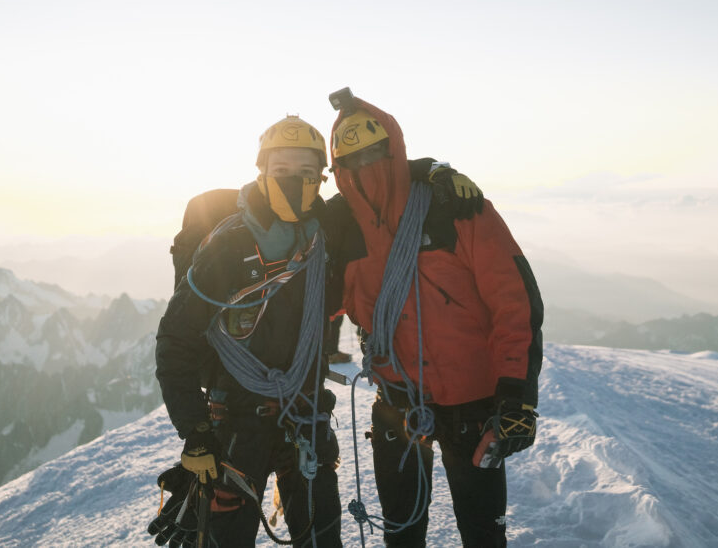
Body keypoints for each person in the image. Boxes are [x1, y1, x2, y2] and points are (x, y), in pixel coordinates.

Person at [328, 93, 543, 548]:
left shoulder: (454, 206)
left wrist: (516, 395)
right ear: (339, 168)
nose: (367, 165)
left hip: (475, 405)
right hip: (397, 401)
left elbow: (514, 302)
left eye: (374, 152)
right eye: (354, 159)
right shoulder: (340, 229)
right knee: (402, 534)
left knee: (483, 534)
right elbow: (317, 306)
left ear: (395, 150)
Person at [152, 115, 344, 547]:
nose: (294, 182)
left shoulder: (329, 235)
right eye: (281, 172)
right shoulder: (228, 244)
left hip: (303, 416)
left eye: (306, 173)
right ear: (261, 172)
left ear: (321, 178)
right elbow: (176, 342)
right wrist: (196, 432)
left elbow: (384, 189)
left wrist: (432, 170)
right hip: (235, 426)